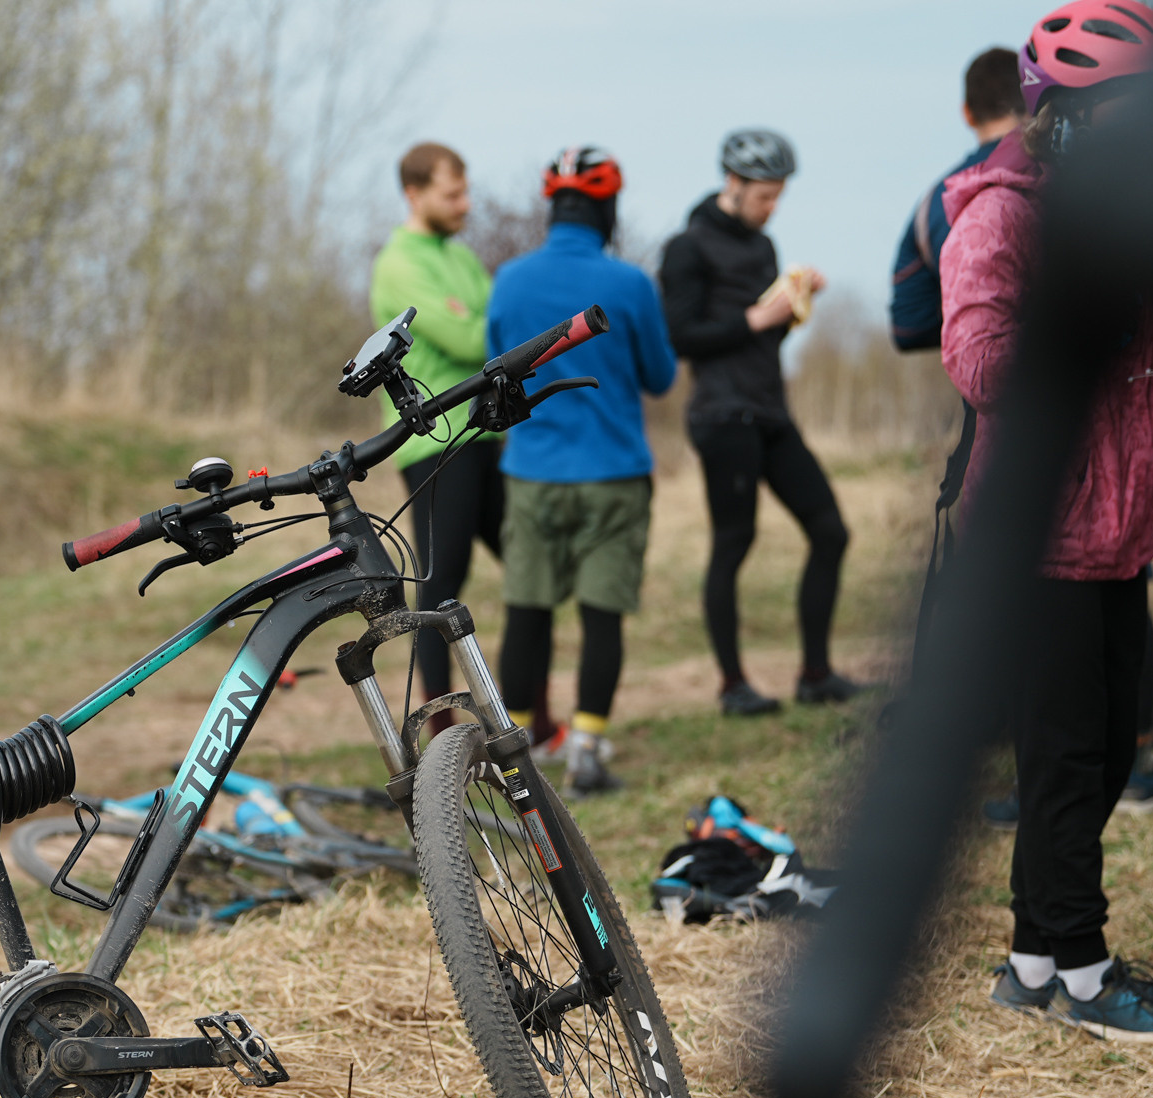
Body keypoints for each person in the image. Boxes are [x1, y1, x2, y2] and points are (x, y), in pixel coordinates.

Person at [944, 0, 1153, 1041]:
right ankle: (1082, 974)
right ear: (1059, 116)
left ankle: (1030, 960)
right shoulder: (1003, 212)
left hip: (1120, 536)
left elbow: (1121, 349)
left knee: (1111, 749)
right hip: (1042, 540)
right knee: (1067, 761)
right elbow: (981, 361)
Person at [485, 146, 677, 797]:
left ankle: (515, 758)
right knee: (602, 615)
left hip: (532, 471)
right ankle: (588, 751)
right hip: (613, 472)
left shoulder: (508, 281)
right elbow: (660, 376)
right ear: (608, 210)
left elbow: (495, 372)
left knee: (527, 611)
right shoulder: (630, 285)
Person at [661, 129, 861, 717]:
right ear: (733, 183)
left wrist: (798, 302)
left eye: (778, 197)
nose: (771, 207)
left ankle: (816, 675)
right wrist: (753, 318)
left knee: (830, 531)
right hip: (722, 416)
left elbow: (767, 329)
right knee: (735, 542)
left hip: (771, 409)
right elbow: (680, 338)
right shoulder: (686, 247)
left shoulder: (763, 247)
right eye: (764, 196)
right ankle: (732, 687)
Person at [369, 142, 507, 720]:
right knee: (440, 581)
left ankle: (534, 708)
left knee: (526, 568)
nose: (465, 204)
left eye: (466, 191)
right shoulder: (401, 263)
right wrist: (491, 326)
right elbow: (475, 340)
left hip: (485, 435)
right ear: (415, 193)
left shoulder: (461, 257)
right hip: (433, 442)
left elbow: (491, 325)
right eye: (453, 194)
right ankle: (439, 722)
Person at [890, 48, 1025, 354]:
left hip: (991, 388)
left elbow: (908, 326)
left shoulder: (935, 203)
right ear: (1032, 104)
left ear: (966, 113)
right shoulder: (1072, 176)